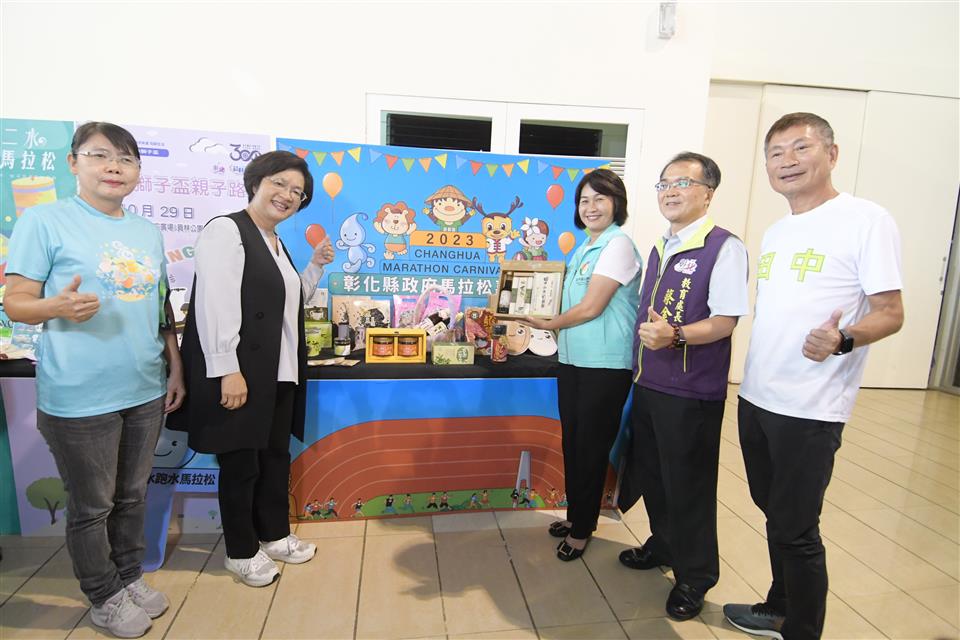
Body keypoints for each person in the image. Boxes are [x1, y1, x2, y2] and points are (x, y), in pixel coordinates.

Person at [724, 113, 903, 640]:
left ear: (832, 154)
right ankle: (779, 607)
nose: (787, 161)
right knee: (773, 512)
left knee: (797, 528)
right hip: (758, 396)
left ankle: (801, 629)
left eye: (800, 148)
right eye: (776, 153)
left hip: (811, 406)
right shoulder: (777, 231)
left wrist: (843, 338)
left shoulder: (866, 220)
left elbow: (891, 313)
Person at [4, 122, 185, 638]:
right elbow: (16, 302)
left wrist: (174, 366)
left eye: (126, 159)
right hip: (79, 395)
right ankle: (103, 595)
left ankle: (128, 577)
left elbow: (159, 308)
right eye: (100, 155)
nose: (113, 167)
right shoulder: (44, 220)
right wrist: (54, 307)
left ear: (137, 171)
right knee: (92, 507)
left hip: (144, 388)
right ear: (73, 163)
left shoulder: (146, 231)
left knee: (132, 496)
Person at [170, 150, 335, 588]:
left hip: (279, 372)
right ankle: (241, 551)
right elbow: (215, 304)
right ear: (256, 182)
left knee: (274, 459)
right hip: (241, 372)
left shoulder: (274, 242)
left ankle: (274, 534)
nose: (288, 195)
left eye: (298, 191)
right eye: (280, 183)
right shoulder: (227, 230)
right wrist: (227, 368)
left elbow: (288, 301)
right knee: (241, 463)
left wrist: (315, 266)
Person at [616, 152, 749, 621]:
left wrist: (675, 335)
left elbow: (725, 321)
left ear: (707, 193)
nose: (670, 191)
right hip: (650, 382)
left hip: (692, 391)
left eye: (683, 183)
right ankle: (664, 544)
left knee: (688, 486)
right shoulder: (661, 246)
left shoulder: (723, 247)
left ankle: (696, 576)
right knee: (653, 475)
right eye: (664, 183)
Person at [525, 168, 643, 561]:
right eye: (584, 200)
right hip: (575, 360)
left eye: (600, 199)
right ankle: (578, 516)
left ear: (616, 204)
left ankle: (581, 528)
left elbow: (592, 307)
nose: (590, 207)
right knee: (574, 443)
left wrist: (550, 324)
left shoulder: (618, 245)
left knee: (591, 448)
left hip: (604, 365)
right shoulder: (584, 247)